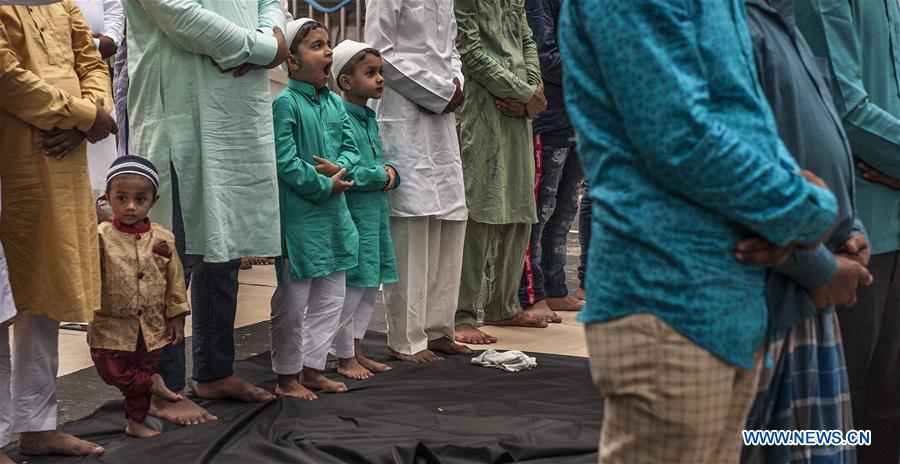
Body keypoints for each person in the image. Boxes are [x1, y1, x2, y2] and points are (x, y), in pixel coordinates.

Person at [558, 1, 840, 462]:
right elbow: (680, 137)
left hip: (731, 304)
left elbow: (748, 119)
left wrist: (803, 212)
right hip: (670, 299)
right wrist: (806, 210)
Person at [124, 0, 288, 425]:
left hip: (236, 117)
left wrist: (267, 37)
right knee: (170, 261)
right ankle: (162, 387)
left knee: (223, 249)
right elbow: (178, 13)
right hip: (182, 115)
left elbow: (271, 4)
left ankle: (215, 371)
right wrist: (260, 48)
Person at [741, 1, 873, 462]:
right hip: (766, 300)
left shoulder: (779, 19)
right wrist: (819, 266)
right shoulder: (729, 23)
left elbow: (823, 137)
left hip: (804, 298)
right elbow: (736, 171)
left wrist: (850, 227)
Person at [0, 0, 117, 457]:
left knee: (44, 291)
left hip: (58, 158)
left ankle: (38, 425)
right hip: (13, 156)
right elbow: (8, 77)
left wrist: (87, 118)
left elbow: (92, 62)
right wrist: (84, 117)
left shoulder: (62, 3)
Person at [791, 1, 900, 461]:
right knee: (841, 415)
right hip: (852, 235)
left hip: (886, 223)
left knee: (886, 412)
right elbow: (844, 107)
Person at [364, 0, 472, 362]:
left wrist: (455, 84)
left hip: (442, 114)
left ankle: (439, 329)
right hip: (403, 111)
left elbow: (452, 50)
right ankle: (406, 338)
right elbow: (379, 51)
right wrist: (435, 90)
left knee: (450, 221)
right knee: (410, 224)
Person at [270, 18, 360, 400]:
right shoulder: (285, 104)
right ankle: (286, 375)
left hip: (335, 216)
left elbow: (352, 149)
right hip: (301, 219)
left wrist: (340, 168)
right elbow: (285, 162)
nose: (328, 51)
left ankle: (312, 368)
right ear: (291, 61)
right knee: (294, 301)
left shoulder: (335, 103)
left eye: (328, 44)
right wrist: (325, 185)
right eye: (317, 45)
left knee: (332, 297)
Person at [453, 0, 549, 345]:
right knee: (481, 209)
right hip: (484, 108)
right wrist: (523, 92)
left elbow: (528, 40)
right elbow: (470, 51)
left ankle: (503, 305)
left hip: (518, 112)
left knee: (519, 207)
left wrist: (533, 91)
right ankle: (461, 313)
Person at [89, 156, 191, 439]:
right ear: (107, 198)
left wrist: (177, 316)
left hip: (152, 327)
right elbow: (87, 275)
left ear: (153, 201)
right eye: (121, 198)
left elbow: (175, 280)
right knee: (110, 369)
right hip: (110, 326)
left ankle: (136, 422)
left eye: (140, 199)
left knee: (143, 366)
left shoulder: (163, 238)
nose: (131, 206)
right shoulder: (100, 236)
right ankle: (150, 383)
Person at [330, 39, 398, 379]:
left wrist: (391, 172)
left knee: (370, 285)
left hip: (375, 215)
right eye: (370, 73)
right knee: (353, 287)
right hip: (355, 215)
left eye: (380, 72)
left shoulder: (369, 117)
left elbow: (378, 163)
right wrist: (381, 176)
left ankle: (356, 350)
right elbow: (344, 169)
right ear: (346, 81)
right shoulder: (340, 117)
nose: (380, 79)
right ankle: (344, 356)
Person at [517, 0, 584, 324]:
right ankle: (530, 293)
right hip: (551, 116)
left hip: (579, 116)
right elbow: (544, 56)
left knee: (564, 208)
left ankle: (555, 286)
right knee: (540, 209)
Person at [75, 0, 123, 200]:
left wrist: (109, 39)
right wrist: (92, 44)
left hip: (96, 75)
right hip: (50, 81)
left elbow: (113, 8)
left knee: (101, 190)